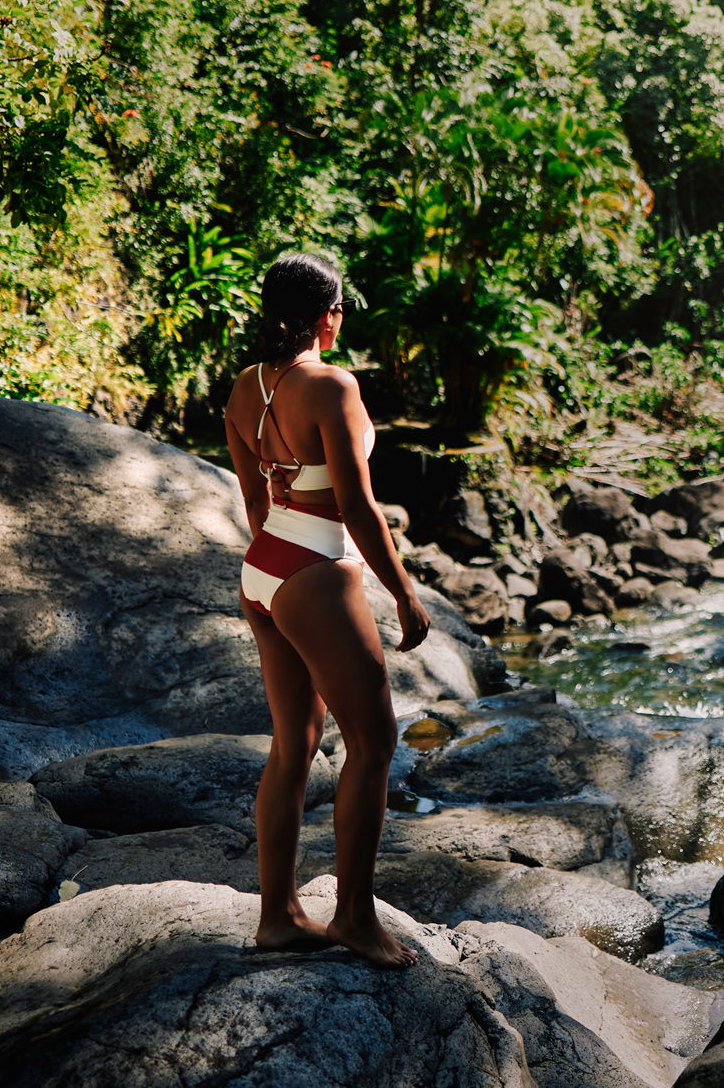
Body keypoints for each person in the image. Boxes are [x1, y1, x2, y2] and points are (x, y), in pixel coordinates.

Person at [224, 251, 432, 966]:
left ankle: (277, 916)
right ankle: (353, 916)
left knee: (295, 744)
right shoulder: (332, 385)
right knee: (374, 744)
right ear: (327, 316)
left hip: (264, 567)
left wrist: (278, 571)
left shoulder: (246, 388)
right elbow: (356, 507)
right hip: (313, 567)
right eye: (341, 309)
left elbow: (255, 503)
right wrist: (403, 591)